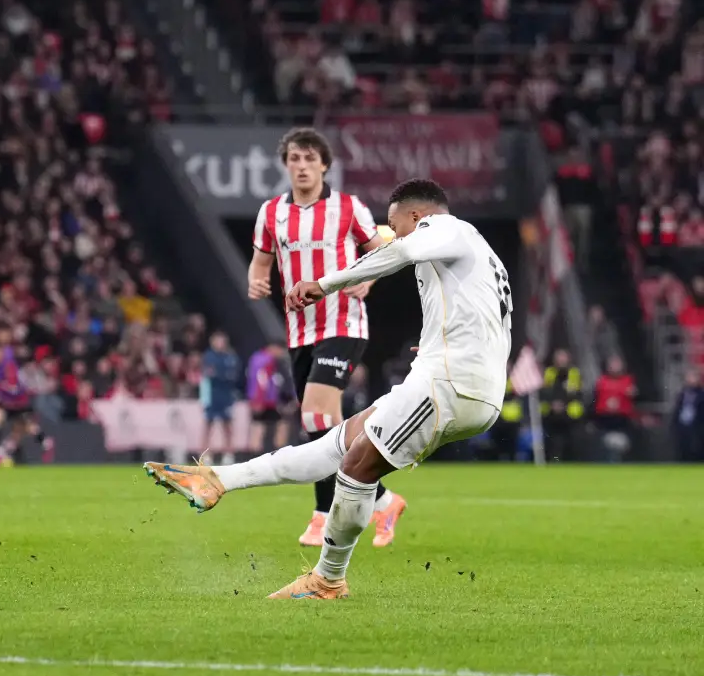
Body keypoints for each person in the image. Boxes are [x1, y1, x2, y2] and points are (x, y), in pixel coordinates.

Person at [145, 179, 511, 599]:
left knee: (355, 468)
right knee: (337, 444)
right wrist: (442, 344)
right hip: (460, 381)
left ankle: (328, 579)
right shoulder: (480, 252)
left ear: (417, 216)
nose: (390, 238)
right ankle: (218, 480)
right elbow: (490, 320)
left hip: (448, 383)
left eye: (396, 226)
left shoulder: (446, 228)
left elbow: (403, 251)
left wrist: (324, 284)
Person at [246, 126, 407, 547]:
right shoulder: (271, 213)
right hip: (299, 330)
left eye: (309, 159)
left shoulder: (347, 207)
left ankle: (322, 515)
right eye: (294, 159)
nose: (301, 166)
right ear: (286, 165)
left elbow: (381, 250)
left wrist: (367, 282)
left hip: (343, 323)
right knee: (320, 422)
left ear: (324, 165)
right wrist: (256, 282)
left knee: (317, 413)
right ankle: (382, 499)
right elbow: (261, 262)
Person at [200, 331, 241, 463]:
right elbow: (210, 374)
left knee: (227, 425)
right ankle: (206, 454)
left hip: (226, 395)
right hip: (211, 396)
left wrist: (222, 376)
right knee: (208, 425)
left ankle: (228, 454)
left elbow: (234, 375)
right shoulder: (209, 356)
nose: (219, 344)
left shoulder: (230, 357)